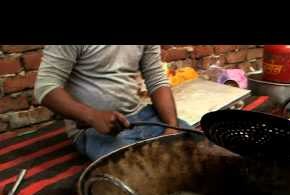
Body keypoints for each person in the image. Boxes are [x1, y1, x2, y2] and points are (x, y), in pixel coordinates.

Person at [34, 45, 189, 161]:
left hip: (141, 118)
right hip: (92, 128)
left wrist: (171, 126)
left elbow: (156, 79)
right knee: (140, 169)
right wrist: (92, 116)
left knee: (200, 146)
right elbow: (45, 88)